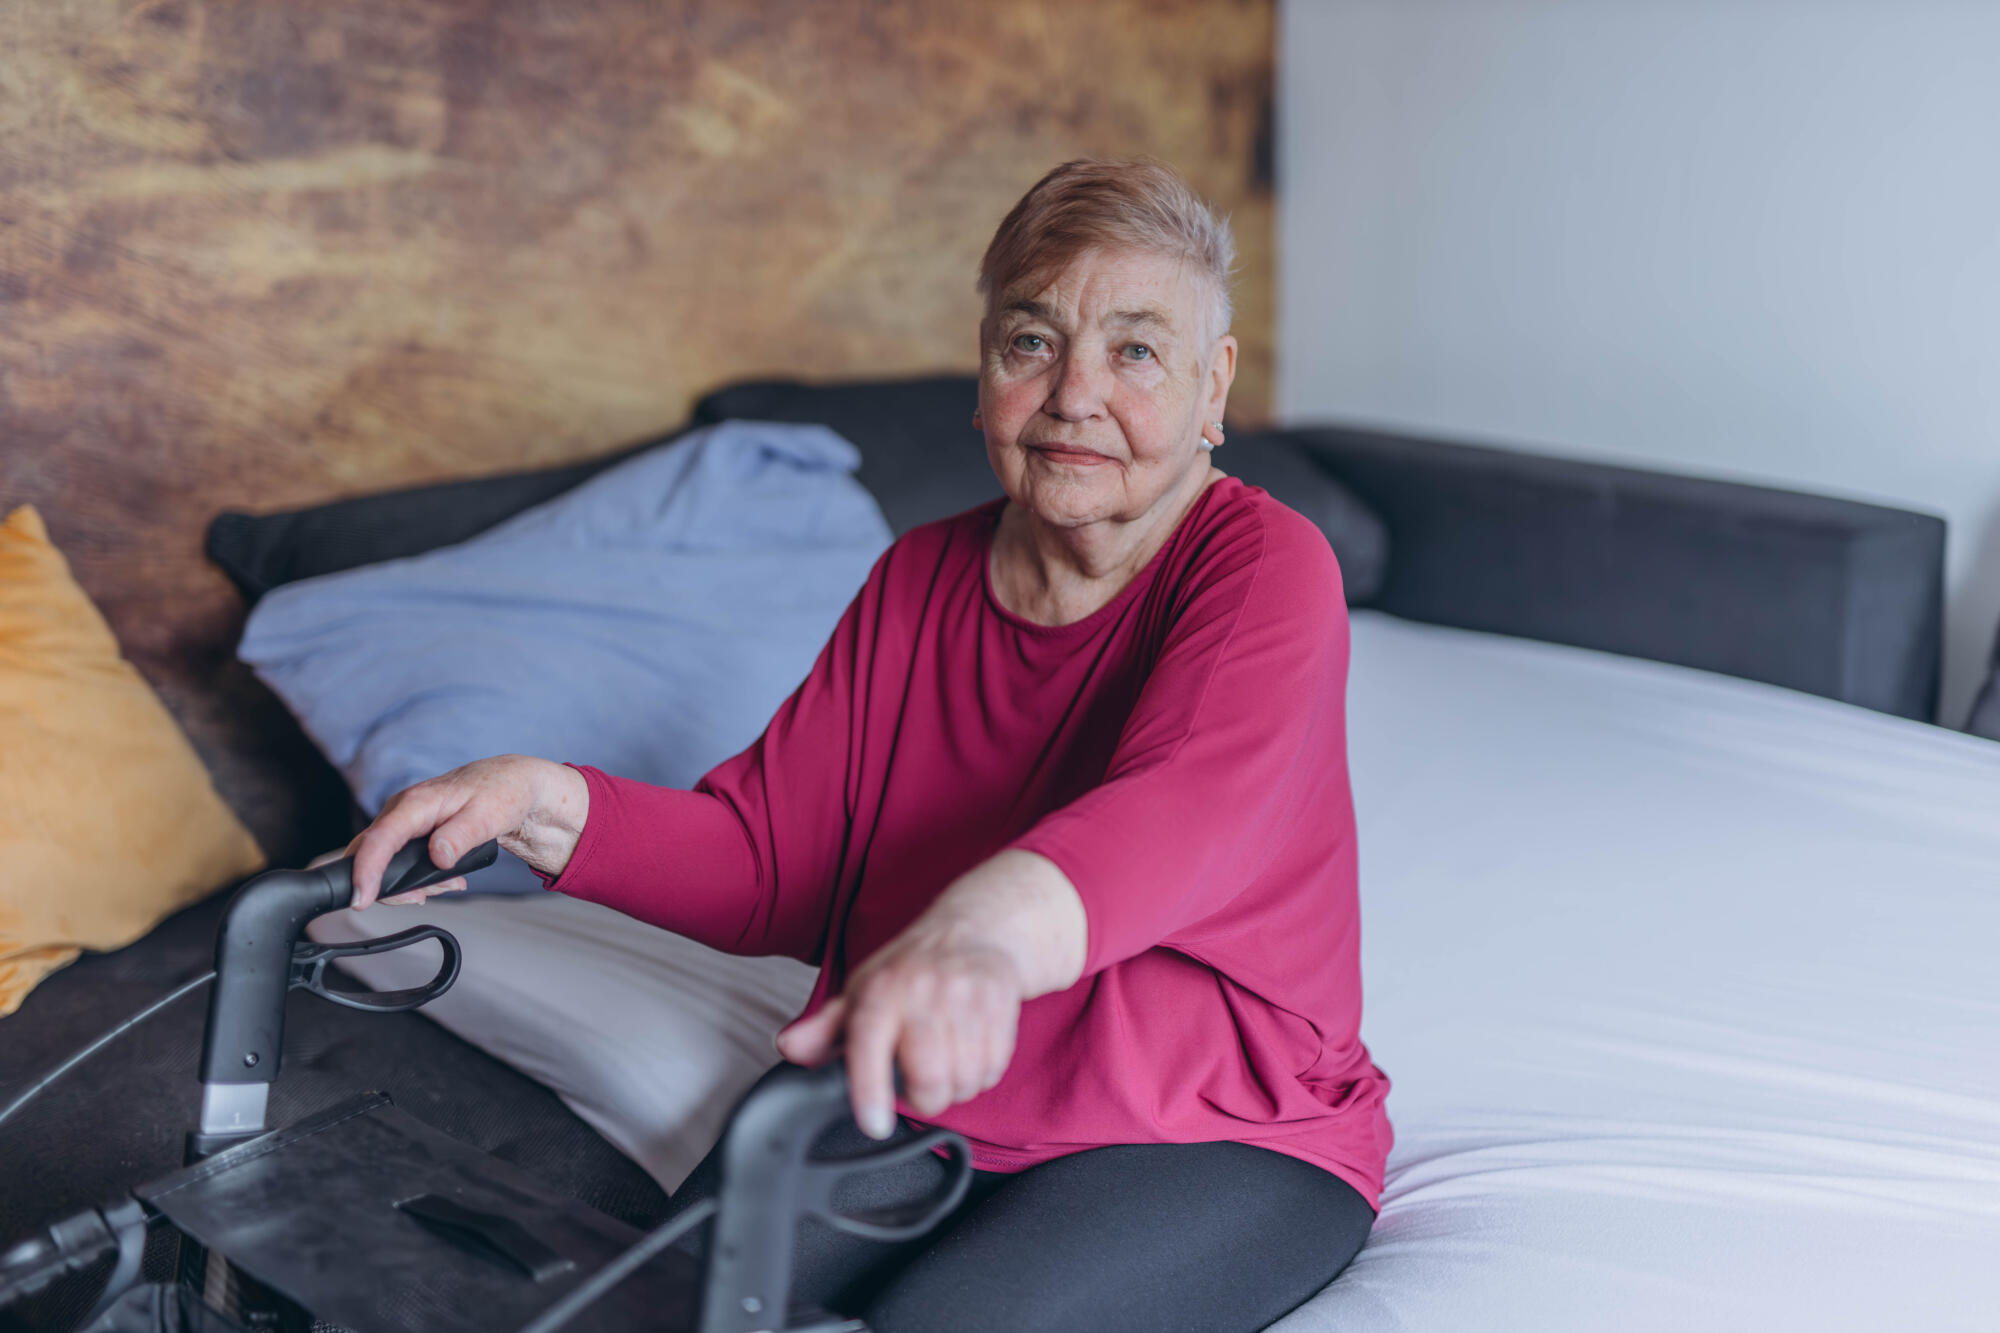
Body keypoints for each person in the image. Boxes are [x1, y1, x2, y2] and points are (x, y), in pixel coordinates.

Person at [344, 158, 1391, 1333]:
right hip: (919, 1081)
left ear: (1215, 388)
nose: (1072, 395)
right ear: (983, 368)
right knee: (628, 1313)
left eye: (1136, 352)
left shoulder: (1262, 564)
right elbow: (774, 860)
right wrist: (541, 800)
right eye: (1030, 342)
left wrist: (973, 943)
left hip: (1208, 1125)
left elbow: (1176, 811)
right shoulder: (919, 573)